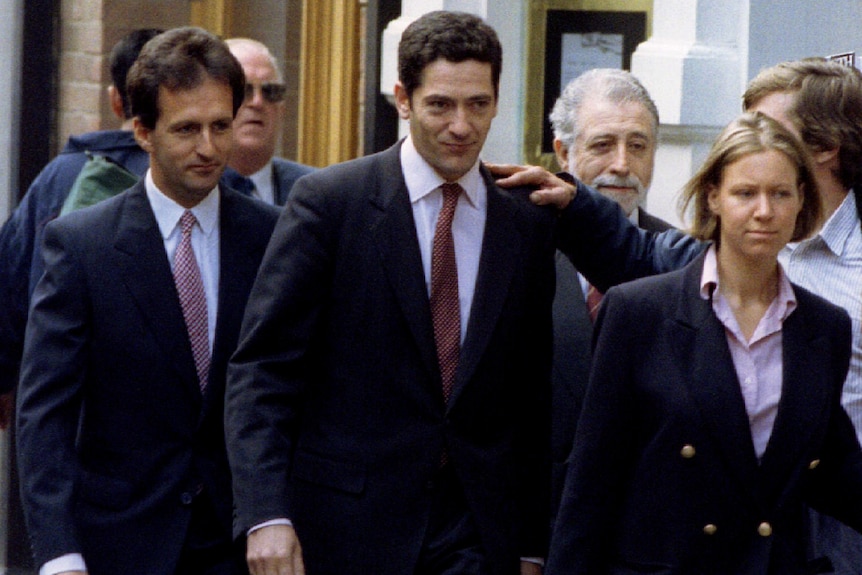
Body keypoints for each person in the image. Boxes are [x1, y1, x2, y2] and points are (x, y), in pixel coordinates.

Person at [225, 11, 554, 575]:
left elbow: (529, 394)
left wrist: (529, 543)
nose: (461, 126)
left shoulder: (522, 221)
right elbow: (263, 370)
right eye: (440, 105)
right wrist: (264, 513)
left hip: (475, 530)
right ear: (402, 99)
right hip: (346, 528)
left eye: (478, 105)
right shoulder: (330, 204)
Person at [547, 111, 862, 575]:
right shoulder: (640, 311)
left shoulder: (824, 327)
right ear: (713, 197)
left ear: (801, 202)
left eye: (780, 193)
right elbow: (592, 483)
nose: (764, 211)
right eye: (745, 193)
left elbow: (836, 471)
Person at [15, 26, 280, 575]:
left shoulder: (273, 237)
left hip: (239, 545)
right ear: (142, 131)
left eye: (220, 126)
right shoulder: (82, 244)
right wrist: (59, 553)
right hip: (119, 542)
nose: (208, 148)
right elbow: (46, 411)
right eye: (186, 129)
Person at [0, 28, 162, 419]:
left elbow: (11, 277)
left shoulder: (59, 176)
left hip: (60, 404)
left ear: (115, 100)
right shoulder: (212, 186)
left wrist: (5, 377)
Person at [546, 68, 673, 524]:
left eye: (638, 146)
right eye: (602, 145)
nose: (622, 163)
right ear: (563, 151)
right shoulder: (521, 252)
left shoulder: (689, 266)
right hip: (545, 534)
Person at [221, 38, 314, 205]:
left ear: (282, 110)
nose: (257, 102)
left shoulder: (315, 191)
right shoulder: (185, 188)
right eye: (243, 90)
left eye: (270, 91)